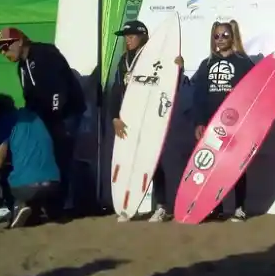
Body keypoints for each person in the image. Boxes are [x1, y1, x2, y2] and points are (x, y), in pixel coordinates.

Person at [0, 27, 86, 220]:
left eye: (5, 47)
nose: (3, 52)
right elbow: (30, 98)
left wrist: (56, 114)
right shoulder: (22, 67)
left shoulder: (44, 53)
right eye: (0, 49)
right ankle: (45, 205)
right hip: (46, 117)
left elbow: (59, 87)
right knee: (49, 156)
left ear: (19, 41)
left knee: (62, 155)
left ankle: (61, 207)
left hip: (65, 113)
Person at [109, 20, 183, 223]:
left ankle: (162, 207)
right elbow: (116, 91)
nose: (128, 40)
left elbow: (170, 86)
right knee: (127, 160)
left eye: (132, 36)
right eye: (126, 37)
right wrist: (115, 116)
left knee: (153, 161)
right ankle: (128, 205)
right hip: (129, 118)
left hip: (150, 118)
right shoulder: (123, 60)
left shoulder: (156, 57)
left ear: (143, 36)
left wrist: (179, 69)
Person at [191, 20, 255, 222]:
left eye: (225, 35)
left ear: (233, 37)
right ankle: (214, 207)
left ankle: (239, 207)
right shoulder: (206, 64)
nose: (220, 39)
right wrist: (200, 122)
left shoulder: (243, 62)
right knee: (212, 167)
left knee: (237, 166)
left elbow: (254, 92)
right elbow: (198, 96)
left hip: (236, 124)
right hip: (212, 124)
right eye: (216, 36)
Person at [0, 94, 61, 228]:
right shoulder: (34, 117)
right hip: (54, 182)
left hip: (26, 187)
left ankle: (17, 206)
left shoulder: (5, 122)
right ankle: (36, 209)